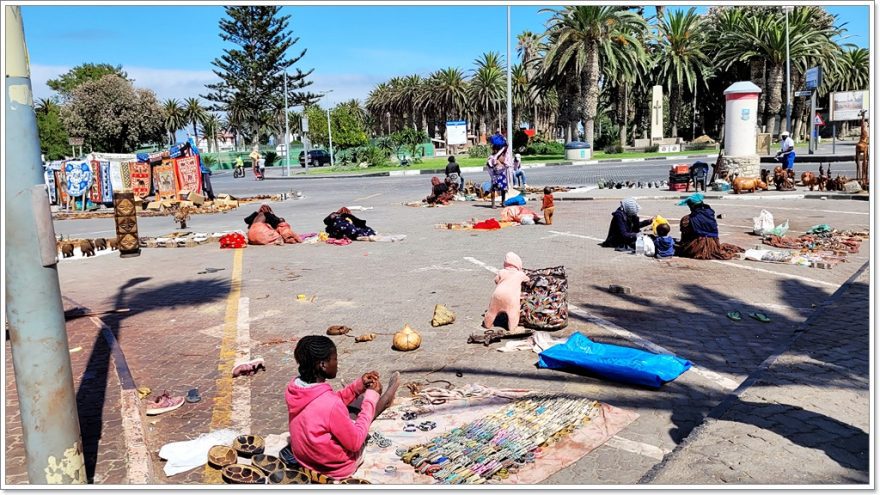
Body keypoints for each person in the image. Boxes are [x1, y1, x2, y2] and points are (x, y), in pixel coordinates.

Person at [286, 335, 400, 480]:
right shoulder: (331, 404)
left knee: (349, 408)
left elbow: (327, 404)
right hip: (336, 468)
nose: (337, 364)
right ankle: (380, 401)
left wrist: (357, 387)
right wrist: (371, 398)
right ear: (323, 365)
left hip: (305, 460)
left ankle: (367, 397)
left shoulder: (293, 388)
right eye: (335, 359)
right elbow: (355, 442)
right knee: (360, 413)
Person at [675, 193, 743, 260]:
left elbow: (685, 236)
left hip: (697, 247)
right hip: (713, 245)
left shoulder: (687, 219)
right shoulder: (710, 214)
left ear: (691, 206)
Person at [482, 252, 530, 333]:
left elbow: (496, 280)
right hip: (511, 298)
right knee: (513, 312)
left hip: (497, 295)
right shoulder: (520, 274)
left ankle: (487, 324)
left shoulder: (502, 271)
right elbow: (527, 279)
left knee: (492, 311)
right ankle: (512, 328)